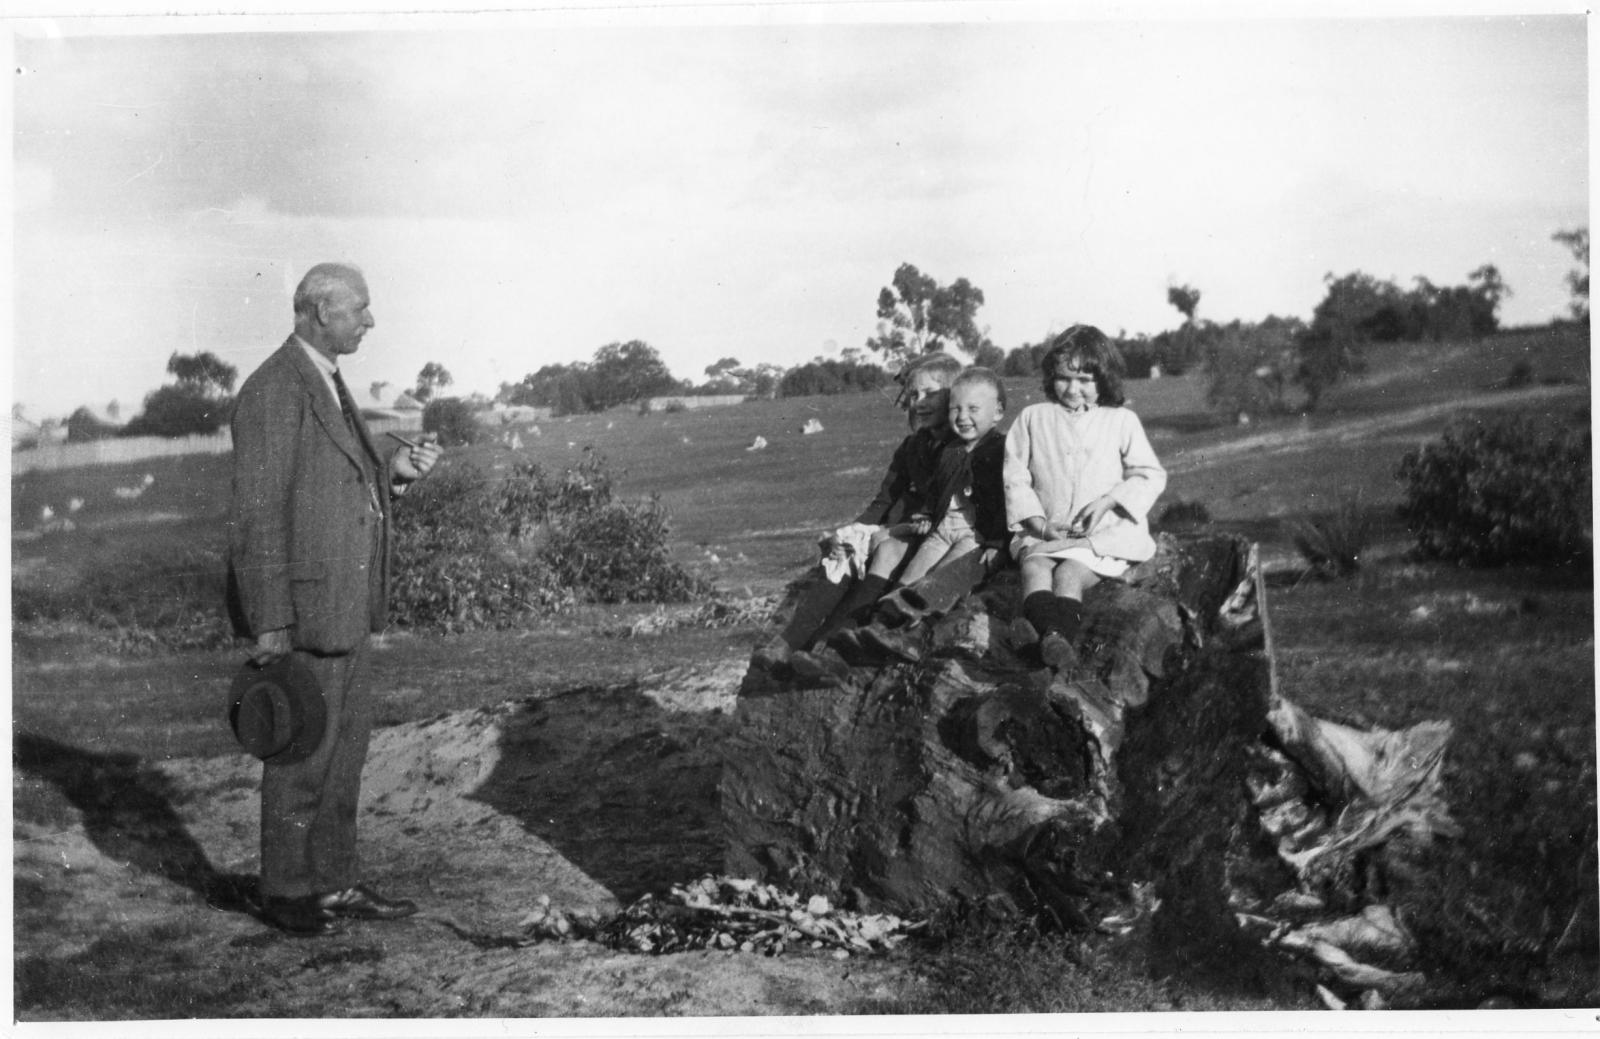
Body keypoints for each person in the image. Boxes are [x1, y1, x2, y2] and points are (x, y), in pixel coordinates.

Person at [227, 262, 442, 936]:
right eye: (361, 310)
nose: (370, 321)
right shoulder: (273, 389)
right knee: (302, 750)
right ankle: (288, 888)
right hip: (306, 612)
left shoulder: (324, 378)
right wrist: (270, 622)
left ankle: (336, 881)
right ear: (320, 310)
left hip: (344, 606)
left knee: (344, 752)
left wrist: (396, 471)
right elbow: (257, 512)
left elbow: (340, 474)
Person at [751, 351, 962, 682]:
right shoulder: (913, 446)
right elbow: (884, 499)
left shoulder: (957, 450)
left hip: (932, 532)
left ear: (953, 396)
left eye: (931, 394)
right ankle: (787, 642)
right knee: (847, 548)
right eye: (915, 394)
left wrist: (893, 532)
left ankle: (826, 646)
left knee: (885, 550)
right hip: (904, 527)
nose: (920, 403)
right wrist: (851, 531)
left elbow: (942, 515)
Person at [1003, 325, 1166, 670]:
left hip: (1104, 533)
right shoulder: (1034, 418)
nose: (1073, 389)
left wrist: (1109, 500)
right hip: (1046, 530)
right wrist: (1040, 525)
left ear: (1103, 379)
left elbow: (1149, 474)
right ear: (1051, 376)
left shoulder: (1121, 421)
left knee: (1070, 574)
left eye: (1085, 380)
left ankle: (1050, 636)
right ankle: (1051, 638)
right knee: (1034, 566)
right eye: (1064, 378)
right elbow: (1016, 477)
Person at [834, 367, 1011, 664]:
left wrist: (996, 541)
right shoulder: (950, 450)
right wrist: (927, 514)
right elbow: (938, 490)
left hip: (975, 535)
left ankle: (913, 638)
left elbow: (1007, 500)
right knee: (911, 577)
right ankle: (879, 630)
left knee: (940, 583)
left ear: (997, 413)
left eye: (973, 409)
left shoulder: (1000, 450)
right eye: (955, 408)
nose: (962, 417)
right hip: (943, 530)